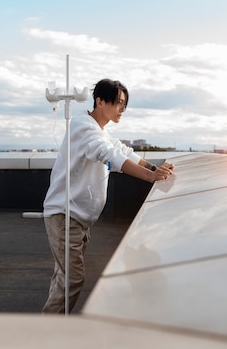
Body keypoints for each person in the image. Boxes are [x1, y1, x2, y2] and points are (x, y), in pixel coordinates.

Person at [41, 78, 174, 314]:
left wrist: (154, 169)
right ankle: (46, 335)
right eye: (118, 103)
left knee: (64, 278)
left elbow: (122, 151)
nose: (122, 108)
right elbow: (109, 154)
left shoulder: (99, 129)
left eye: (124, 104)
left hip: (77, 219)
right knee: (72, 279)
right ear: (100, 101)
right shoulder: (84, 127)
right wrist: (150, 177)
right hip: (65, 216)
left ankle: (49, 329)